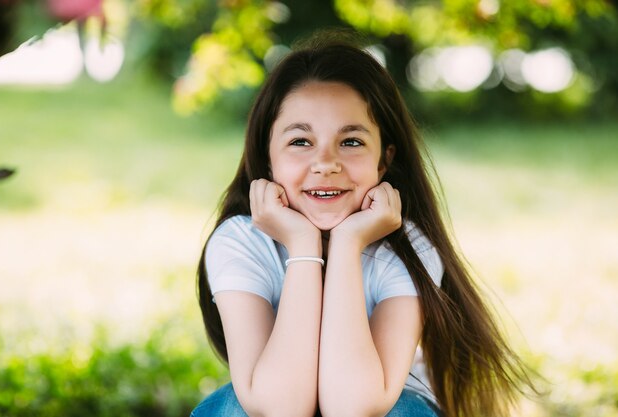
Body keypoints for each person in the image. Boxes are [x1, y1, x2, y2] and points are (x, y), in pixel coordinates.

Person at [191, 33, 534, 417]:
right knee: (231, 408)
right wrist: (304, 246)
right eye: (301, 142)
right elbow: (278, 408)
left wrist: (348, 244)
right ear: (268, 159)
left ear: (383, 161)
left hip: (377, 404)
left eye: (351, 142)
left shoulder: (408, 246)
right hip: (276, 394)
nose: (326, 163)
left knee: (403, 410)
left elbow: (354, 408)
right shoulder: (241, 240)